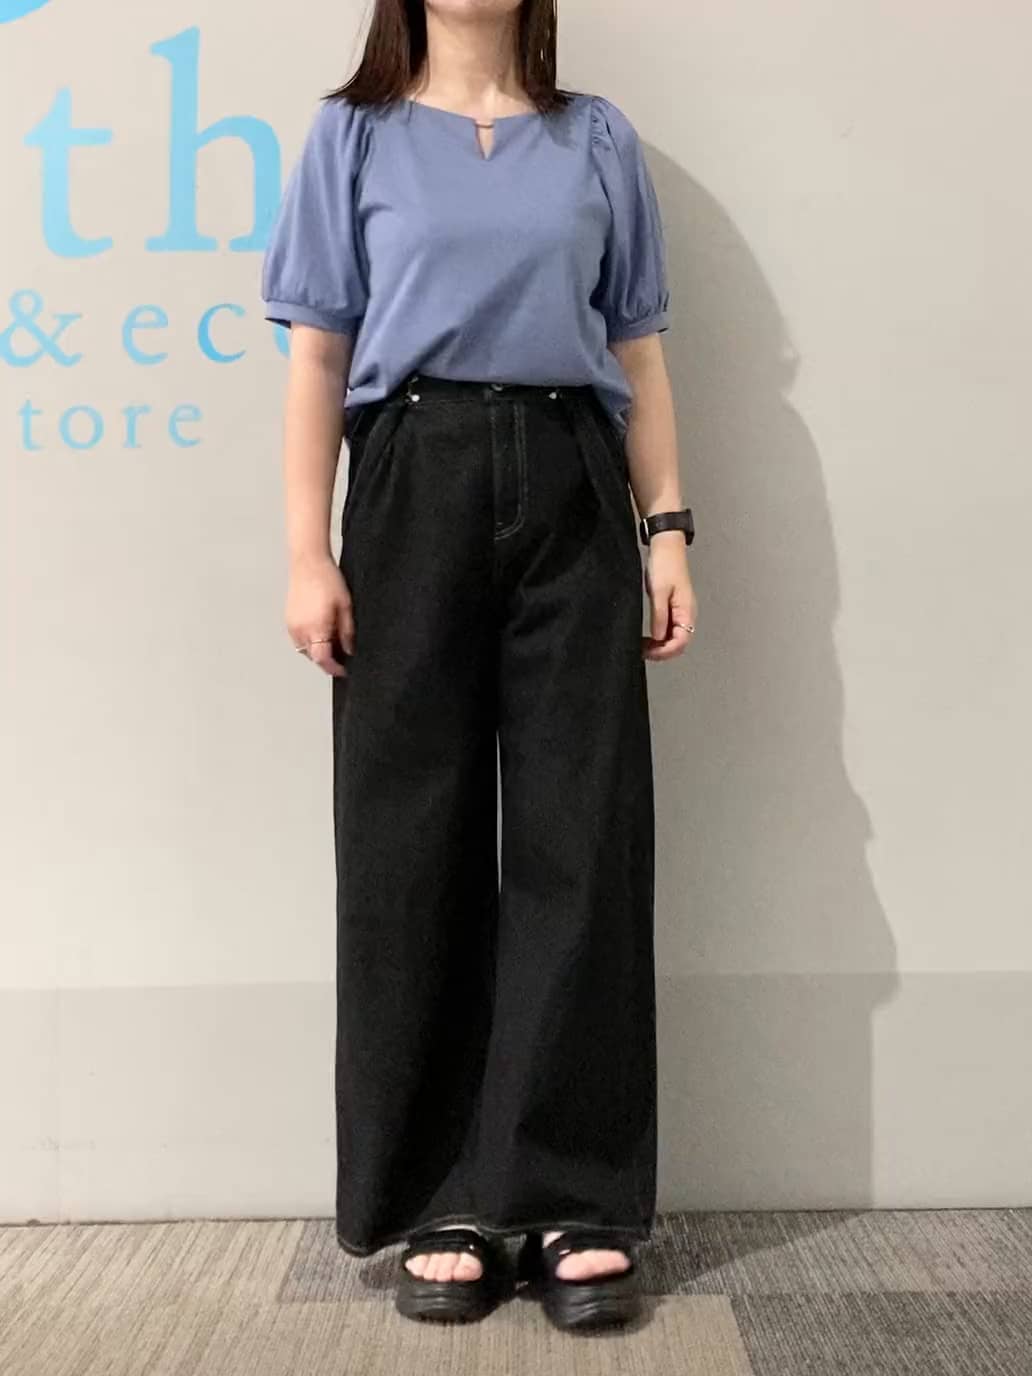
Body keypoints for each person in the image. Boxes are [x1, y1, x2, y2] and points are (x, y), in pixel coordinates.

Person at [260, 0, 697, 1331]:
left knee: (583, 835)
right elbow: (318, 354)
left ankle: (570, 1193)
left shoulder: (597, 138)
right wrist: (307, 551)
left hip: (573, 478)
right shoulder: (352, 138)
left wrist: (668, 528)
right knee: (410, 841)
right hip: (412, 479)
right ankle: (441, 1194)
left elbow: (637, 348)